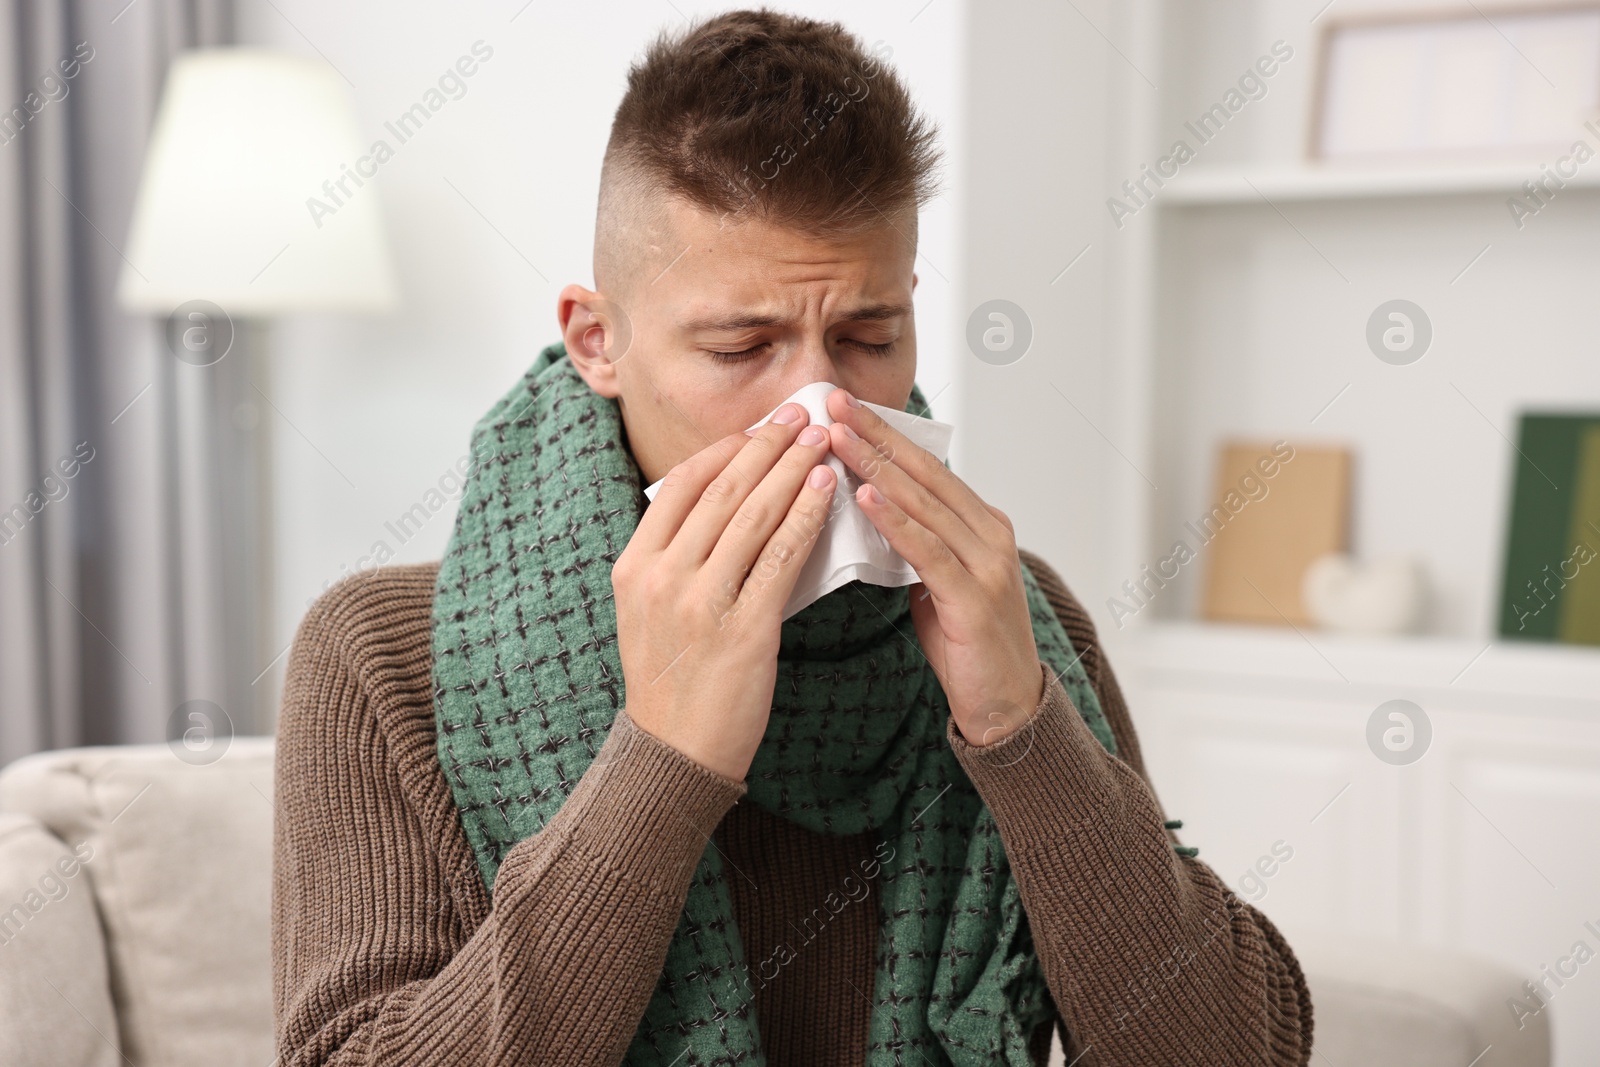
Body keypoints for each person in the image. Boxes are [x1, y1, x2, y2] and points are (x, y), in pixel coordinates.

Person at [271, 9, 1313, 1065]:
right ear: (599, 341)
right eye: (740, 344)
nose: (817, 404)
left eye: (868, 337)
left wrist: (1019, 727)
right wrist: (664, 759)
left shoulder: (1004, 612)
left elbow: (1239, 1051)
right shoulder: (383, 654)